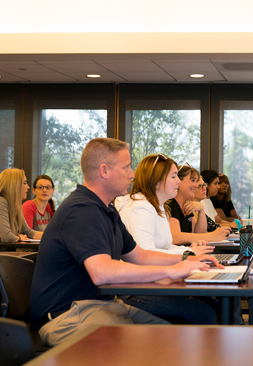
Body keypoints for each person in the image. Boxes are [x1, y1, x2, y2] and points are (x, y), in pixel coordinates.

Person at [30, 138, 223, 347]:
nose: (132, 174)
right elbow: (101, 272)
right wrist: (170, 270)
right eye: (126, 167)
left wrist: (188, 259)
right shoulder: (83, 210)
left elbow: (139, 255)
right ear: (104, 171)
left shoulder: (107, 209)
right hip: (67, 314)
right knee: (161, 347)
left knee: (174, 341)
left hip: (102, 305)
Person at [165, 164, 230, 244]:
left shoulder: (186, 205)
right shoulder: (171, 204)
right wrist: (212, 236)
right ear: (179, 181)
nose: (196, 186)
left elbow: (200, 233)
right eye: (193, 180)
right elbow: (175, 237)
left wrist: (201, 210)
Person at [0, 168, 42, 242]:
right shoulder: (1, 201)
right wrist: (19, 238)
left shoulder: (15, 205)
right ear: (14, 185)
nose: (28, 187)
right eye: (25, 183)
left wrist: (53, 236)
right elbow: (6, 236)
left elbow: (28, 232)